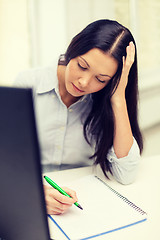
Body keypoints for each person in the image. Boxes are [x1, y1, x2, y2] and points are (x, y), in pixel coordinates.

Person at [14, 19, 143, 215]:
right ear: (73, 48)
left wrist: (118, 99)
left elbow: (126, 174)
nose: (83, 82)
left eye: (100, 79)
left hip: (80, 208)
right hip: (27, 203)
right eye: (82, 66)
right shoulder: (28, 83)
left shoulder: (105, 102)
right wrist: (32, 192)